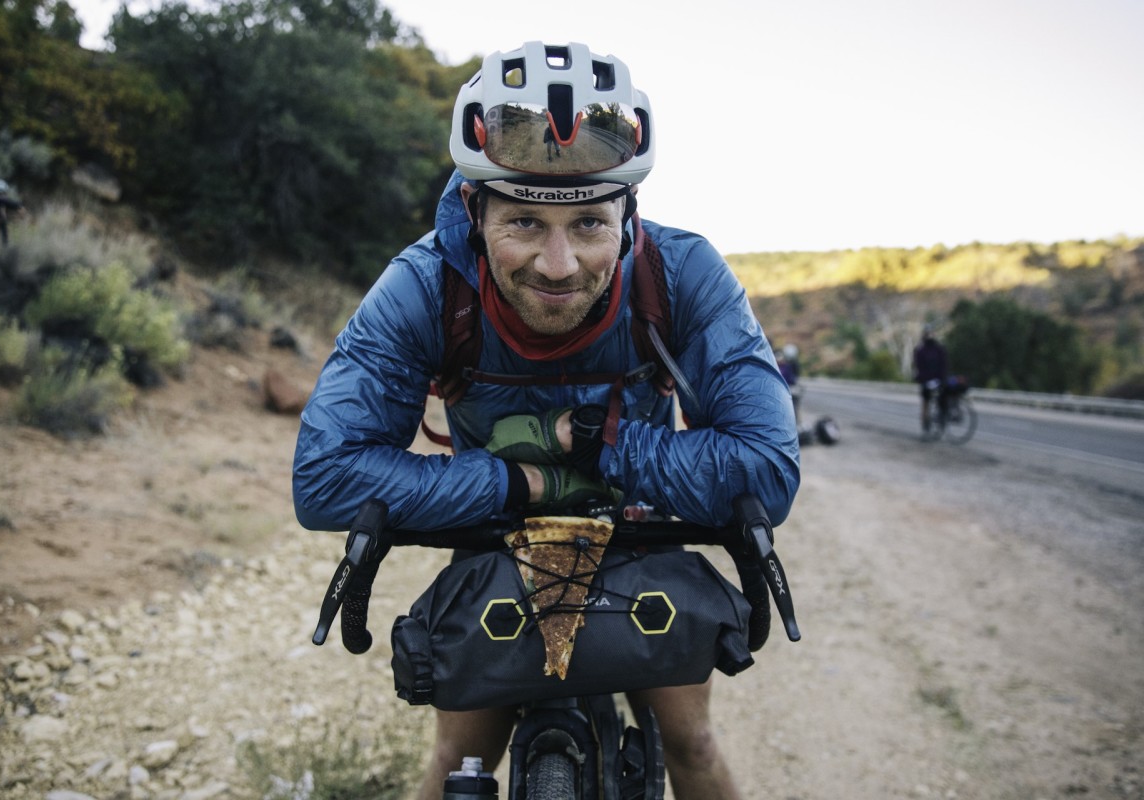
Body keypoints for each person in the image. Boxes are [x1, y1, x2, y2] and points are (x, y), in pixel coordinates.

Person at [293, 41, 800, 800]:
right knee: (453, 766)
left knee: (691, 745)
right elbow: (325, 478)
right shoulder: (425, 286)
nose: (558, 265)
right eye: (524, 223)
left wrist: (603, 444)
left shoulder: (683, 275)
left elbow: (768, 467)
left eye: (590, 225)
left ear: (629, 217)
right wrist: (517, 480)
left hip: (639, 534)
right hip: (495, 537)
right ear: (473, 211)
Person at [912, 323, 948, 435]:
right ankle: (925, 427)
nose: (929, 335)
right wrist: (922, 379)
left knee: (942, 398)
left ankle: (942, 418)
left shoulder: (939, 348)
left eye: (930, 333)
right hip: (926, 381)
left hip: (938, 379)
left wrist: (942, 377)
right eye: (927, 333)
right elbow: (918, 366)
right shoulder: (920, 350)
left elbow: (944, 364)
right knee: (925, 403)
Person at [777, 342, 802, 425]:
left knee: (792, 408)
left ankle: (794, 423)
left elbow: (794, 378)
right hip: (788, 389)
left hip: (789, 389)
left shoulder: (787, 366)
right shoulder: (786, 366)